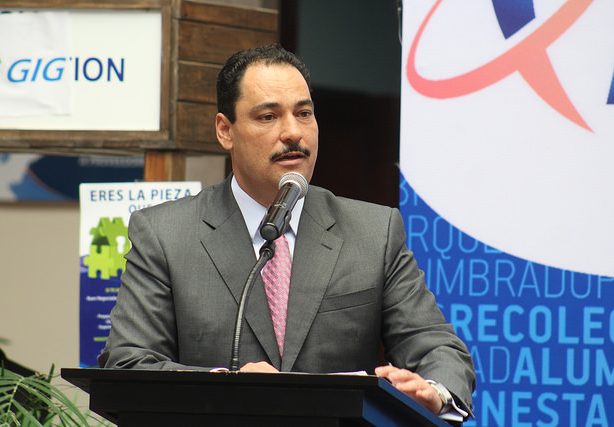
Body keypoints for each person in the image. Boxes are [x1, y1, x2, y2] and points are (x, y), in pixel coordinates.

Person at [99, 45, 475, 422]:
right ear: (225, 131)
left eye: (304, 113)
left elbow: (440, 350)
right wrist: (228, 384)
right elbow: (128, 362)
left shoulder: (374, 232)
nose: (293, 132)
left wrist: (434, 391)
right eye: (268, 116)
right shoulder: (164, 235)